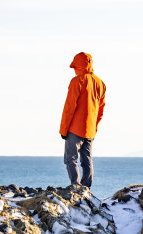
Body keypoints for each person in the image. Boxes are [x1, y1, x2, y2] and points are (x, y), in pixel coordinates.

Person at [59, 52, 106, 189]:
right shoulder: (100, 83)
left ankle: (76, 187)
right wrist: (94, 128)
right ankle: (87, 189)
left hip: (75, 128)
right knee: (87, 160)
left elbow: (69, 107)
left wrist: (63, 130)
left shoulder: (77, 81)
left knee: (70, 159)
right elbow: (100, 110)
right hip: (90, 130)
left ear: (77, 66)